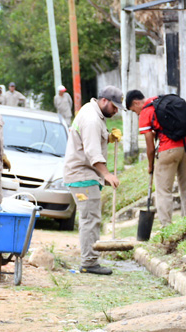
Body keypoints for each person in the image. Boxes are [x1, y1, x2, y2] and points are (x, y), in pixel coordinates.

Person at [62, 85, 123, 275]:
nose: (116, 111)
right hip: (82, 176)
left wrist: (108, 138)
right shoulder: (91, 119)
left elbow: (92, 141)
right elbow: (92, 152)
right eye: (114, 106)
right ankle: (89, 262)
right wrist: (107, 174)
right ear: (104, 100)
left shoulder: (93, 114)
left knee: (90, 218)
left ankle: (90, 259)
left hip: (84, 175)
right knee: (90, 219)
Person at [125, 90, 186, 228]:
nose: (136, 113)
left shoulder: (146, 112)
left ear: (136, 102)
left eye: (133, 110)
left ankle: (166, 226)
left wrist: (150, 165)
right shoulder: (161, 100)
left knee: (163, 190)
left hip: (168, 150)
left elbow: (149, 147)